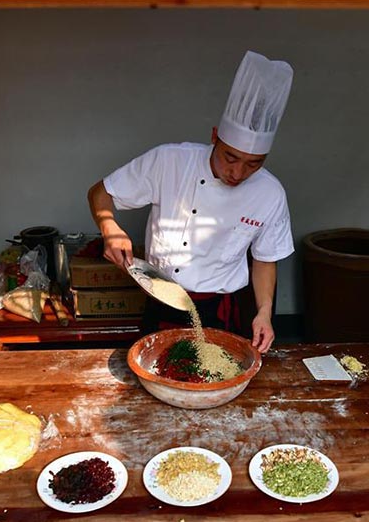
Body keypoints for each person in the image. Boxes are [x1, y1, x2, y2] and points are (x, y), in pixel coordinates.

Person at [87, 51, 294, 353]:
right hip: (161, 299)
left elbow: (265, 259)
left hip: (219, 309)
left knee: (217, 382)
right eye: (230, 157)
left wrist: (264, 312)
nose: (238, 173)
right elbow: (99, 192)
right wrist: (109, 227)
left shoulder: (270, 193)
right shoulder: (169, 161)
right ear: (214, 136)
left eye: (254, 163)